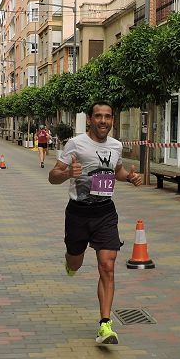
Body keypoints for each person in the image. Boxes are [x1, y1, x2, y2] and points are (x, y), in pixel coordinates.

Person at [48, 101, 141, 345]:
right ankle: (70, 262)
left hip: (105, 212)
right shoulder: (75, 144)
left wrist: (129, 177)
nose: (103, 121)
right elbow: (53, 176)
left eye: (107, 117)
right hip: (78, 213)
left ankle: (105, 325)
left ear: (112, 120)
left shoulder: (116, 145)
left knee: (107, 266)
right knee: (75, 261)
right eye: (98, 116)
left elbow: (117, 171)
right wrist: (68, 173)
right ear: (89, 119)